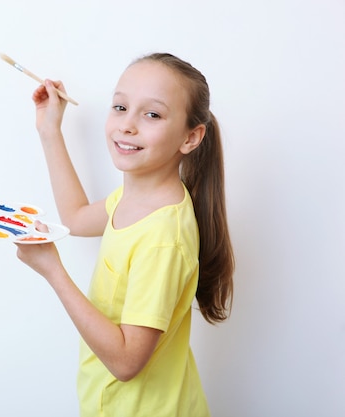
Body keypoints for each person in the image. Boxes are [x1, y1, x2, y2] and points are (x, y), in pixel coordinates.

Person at [14, 52, 234, 417]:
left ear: (191, 137)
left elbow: (127, 362)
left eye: (153, 114)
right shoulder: (135, 198)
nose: (127, 125)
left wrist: (53, 270)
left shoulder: (163, 239)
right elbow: (76, 217)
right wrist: (50, 130)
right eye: (120, 107)